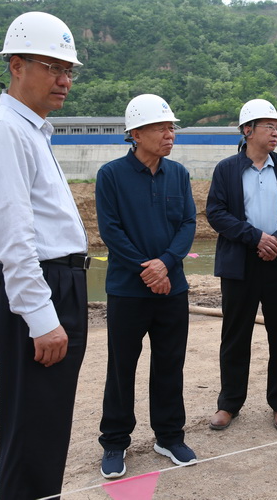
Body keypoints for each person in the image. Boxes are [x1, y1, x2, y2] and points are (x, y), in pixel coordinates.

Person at [0, 11, 89, 499]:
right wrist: (41, 317)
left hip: (58, 282)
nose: (64, 81)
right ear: (16, 65)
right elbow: (14, 237)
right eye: (52, 67)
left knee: (47, 426)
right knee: (32, 432)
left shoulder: (33, 129)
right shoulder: (4, 130)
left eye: (69, 70)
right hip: (39, 287)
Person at [95, 94, 197, 479]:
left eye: (172, 128)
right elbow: (111, 231)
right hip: (127, 290)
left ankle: (169, 436)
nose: (170, 134)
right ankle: (115, 441)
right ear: (136, 134)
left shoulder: (179, 174)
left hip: (173, 288)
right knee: (122, 367)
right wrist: (148, 269)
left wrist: (166, 264)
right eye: (161, 128)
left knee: (170, 363)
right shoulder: (111, 176)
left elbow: (188, 223)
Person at [206, 99, 277, 432]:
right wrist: (255, 237)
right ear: (248, 130)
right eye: (269, 126)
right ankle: (229, 403)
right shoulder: (227, 169)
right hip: (239, 264)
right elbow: (216, 213)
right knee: (235, 335)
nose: (276, 132)